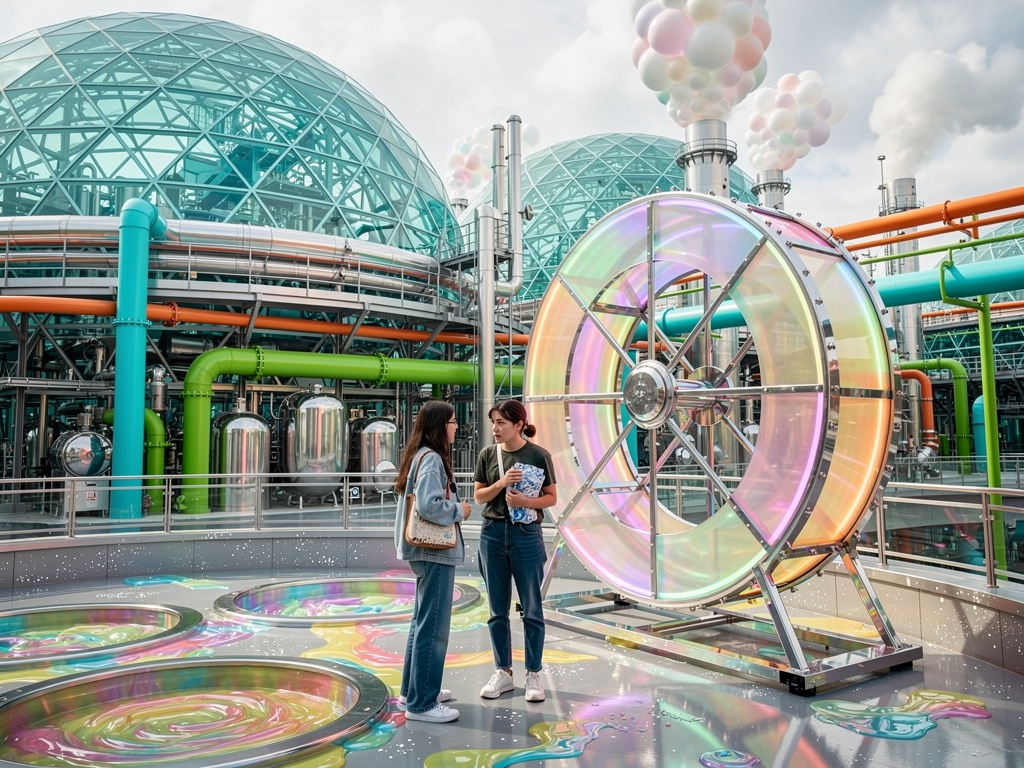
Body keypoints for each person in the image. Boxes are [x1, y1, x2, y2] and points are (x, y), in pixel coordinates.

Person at [393, 400, 471, 723]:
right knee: (434, 628)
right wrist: (459, 511)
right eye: (453, 422)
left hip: (423, 552)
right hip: (435, 552)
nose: (456, 427)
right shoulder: (433, 460)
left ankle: (412, 692)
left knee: (420, 623)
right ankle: (422, 704)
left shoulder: (420, 455)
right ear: (441, 426)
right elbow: (428, 505)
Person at [473, 399, 557, 703]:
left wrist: (525, 503)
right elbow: (479, 495)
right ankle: (503, 672)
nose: (495, 428)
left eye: (501, 423)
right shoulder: (487, 454)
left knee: (532, 608)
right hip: (492, 534)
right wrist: (501, 483)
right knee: (497, 609)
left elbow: (551, 497)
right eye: (493, 422)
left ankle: (533, 673)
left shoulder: (538, 455)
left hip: (526, 534)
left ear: (519, 425)